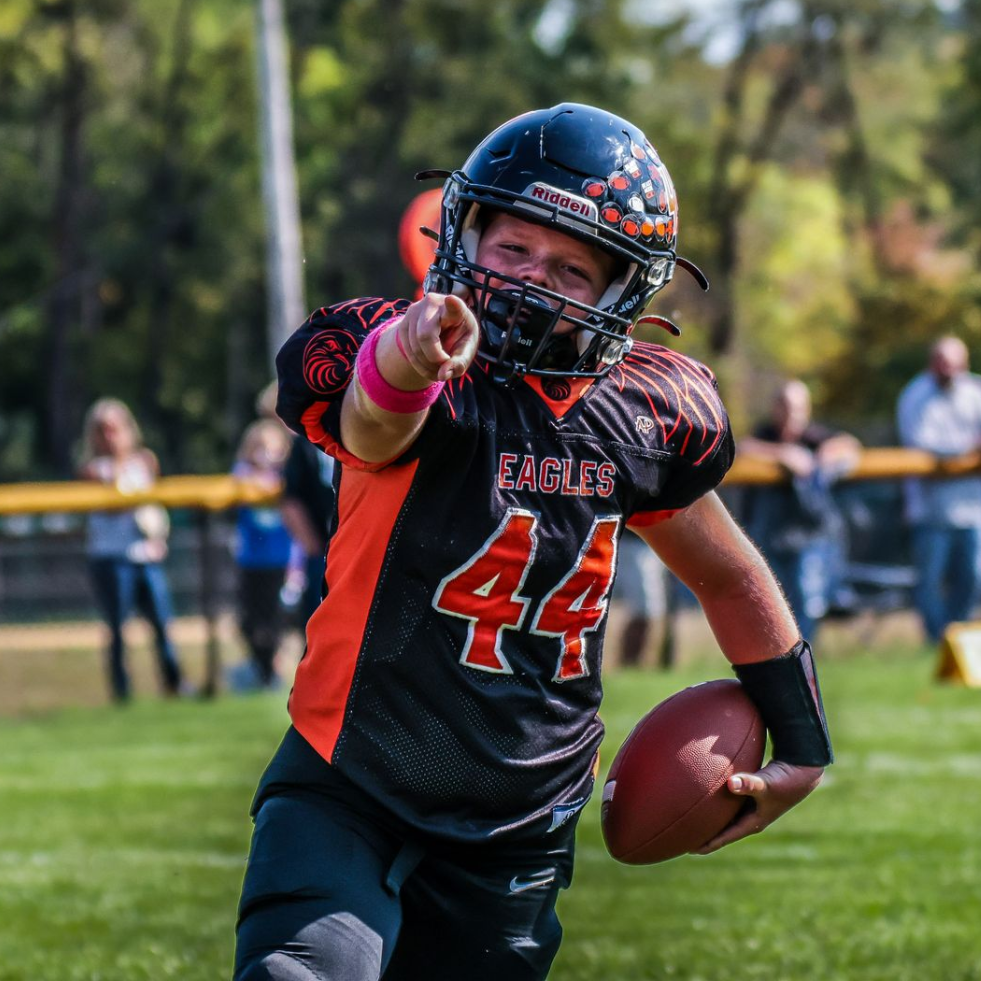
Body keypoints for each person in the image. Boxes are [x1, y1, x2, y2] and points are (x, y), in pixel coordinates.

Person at [233, 104, 833, 981]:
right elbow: (371, 424)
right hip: (350, 778)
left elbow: (729, 576)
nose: (529, 279)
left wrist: (804, 747)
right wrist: (411, 353)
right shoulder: (393, 356)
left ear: (622, 290)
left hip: (520, 822)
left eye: (570, 268)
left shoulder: (641, 413)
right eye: (511, 248)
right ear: (462, 235)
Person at [739, 380, 862, 642]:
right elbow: (740, 448)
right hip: (767, 538)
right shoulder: (764, 436)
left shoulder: (815, 437)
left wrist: (822, 457)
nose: (792, 414)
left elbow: (850, 444)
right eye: (786, 406)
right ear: (775, 408)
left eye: (798, 408)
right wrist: (782, 454)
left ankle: (801, 656)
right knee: (768, 603)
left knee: (806, 601)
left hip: (808, 537)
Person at [79, 398, 183, 702]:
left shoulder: (146, 461)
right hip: (110, 558)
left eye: (116, 428)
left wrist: (158, 536)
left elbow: (154, 507)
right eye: (103, 430)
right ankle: (122, 692)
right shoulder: (93, 468)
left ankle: (174, 684)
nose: (111, 435)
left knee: (163, 624)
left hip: (145, 556)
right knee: (117, 630)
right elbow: (114, 506)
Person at [897, 336, 981, 642]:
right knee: (929, 581)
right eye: (943, 362)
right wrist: (969, 449)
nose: (949, 369)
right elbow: (922, 445)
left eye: (955, 363)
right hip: (929, 511)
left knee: (973, 577)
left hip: (972, 508)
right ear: (932, 363)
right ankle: (936, 640)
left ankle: (955, 637)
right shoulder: (915, 396)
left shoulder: (974, 392)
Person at [231, 419, 294, 688]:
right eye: (258, 447)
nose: (265, 453)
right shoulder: (243, 474)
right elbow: (239, 479)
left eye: (270, 447)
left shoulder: (286, 476)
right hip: (251, 561)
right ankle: (262, 667)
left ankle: (269, 673)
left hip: (280, 562)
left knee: (273, 622)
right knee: (247, 622)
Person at [279, 434, 336, 625]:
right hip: (323, 551)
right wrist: (313, 546)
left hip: (360, 548)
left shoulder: (363, 432)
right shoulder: (305, 442)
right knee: (319, 618)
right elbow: (291, 500)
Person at [609, 527, 669, 667]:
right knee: (643, 610)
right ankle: (627, 663)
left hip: (651, 543)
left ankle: (631, 664)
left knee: (647, 612)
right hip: (631, 541)